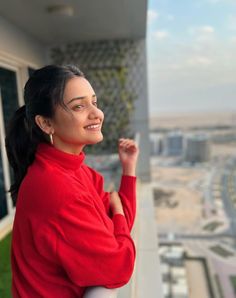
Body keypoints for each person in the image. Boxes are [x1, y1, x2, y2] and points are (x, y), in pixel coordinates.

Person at [5, 65, 139, 298]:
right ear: (46, 124)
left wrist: (128, 169)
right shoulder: (57, 188)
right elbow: (119, 266)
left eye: (94, 102)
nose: (97, 113)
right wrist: (116, 213)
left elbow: (121, 227)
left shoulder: (77, 171)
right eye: (79, 106)